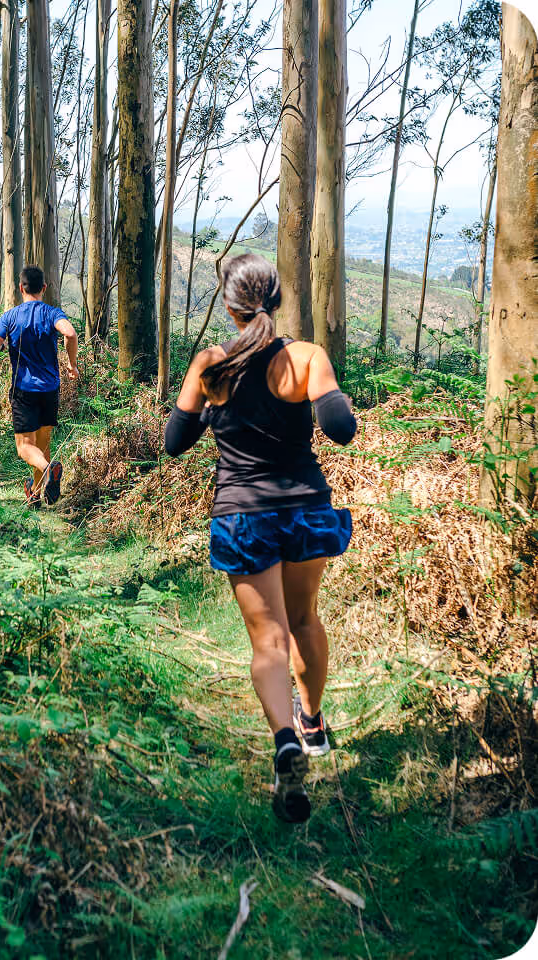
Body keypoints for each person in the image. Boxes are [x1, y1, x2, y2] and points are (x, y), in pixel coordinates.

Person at [164, 253, 357, 823]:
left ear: (229, 304)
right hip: (304, 511)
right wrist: (332, 399)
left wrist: (207, 411)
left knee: (268, 642)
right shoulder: (306, 357)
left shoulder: (211, 364)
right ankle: (313, 721)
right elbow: (341, 431)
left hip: (243, 515)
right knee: (305, 621)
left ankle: (284, 742)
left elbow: (174, 441)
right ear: (276, 299)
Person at [0, 265, 79, 506]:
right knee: (41, 446)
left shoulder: (11, 316)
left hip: (24, 391)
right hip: (50, 390)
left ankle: (49, 471)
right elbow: (70, 333)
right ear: (44, 288)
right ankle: (35, 495)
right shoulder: (51, 313)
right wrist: (72, 365)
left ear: (20, 288)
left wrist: (4, 345)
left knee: (25, 447)